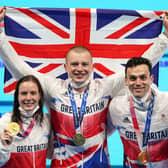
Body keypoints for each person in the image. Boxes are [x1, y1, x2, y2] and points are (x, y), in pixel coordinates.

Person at [0, 6, 168, 167]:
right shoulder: (52, 88)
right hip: (63, 164)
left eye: (84, 64)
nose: (79, 69)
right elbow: (21, 70)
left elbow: (140, 66)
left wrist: (165, 36)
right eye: (74, 64)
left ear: (92, 67)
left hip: (99, 163)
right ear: (65, 67)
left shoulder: (105, 86)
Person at [108, 57, 168, 167]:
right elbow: (103, 133)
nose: (138, 83)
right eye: (133, 78)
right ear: (126, 81)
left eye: (143, 77)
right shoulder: (116, 107)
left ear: (151, 79)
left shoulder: (166, 103)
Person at [0, 75, 52, 168]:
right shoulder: (5, 121)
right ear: (17, 96)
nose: (28, 98)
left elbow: (50, 155)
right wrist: (4, 146)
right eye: (24, 93)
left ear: (39, 96)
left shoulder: (47, 121)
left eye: (33, 93)